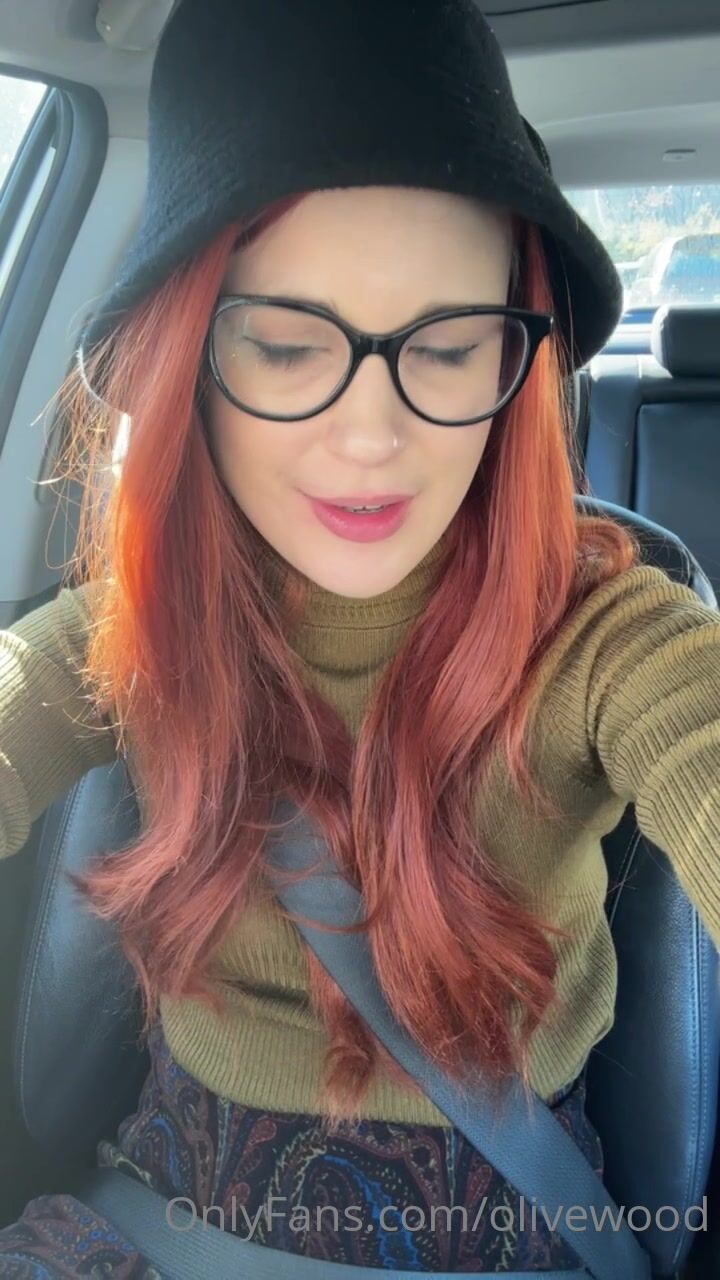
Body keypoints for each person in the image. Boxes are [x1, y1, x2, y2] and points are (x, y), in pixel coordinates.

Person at [0, 0, 718, 1275]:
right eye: (286, 345)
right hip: (159, 1208)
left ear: (517, 359)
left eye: (449, 347)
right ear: (188, 359)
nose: (373, 433)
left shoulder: (609, 635)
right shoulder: (141, 625)